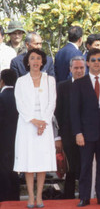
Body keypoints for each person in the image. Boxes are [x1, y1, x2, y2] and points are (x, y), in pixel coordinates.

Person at [70, 48, 100, 207]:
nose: (96, 63)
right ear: (87, 62)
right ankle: (84, 197)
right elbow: (74, 111)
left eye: (99, 60)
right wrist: (77, 132)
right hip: (85, 133)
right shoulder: (79, 83)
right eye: (93, 60)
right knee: (85, 166)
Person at [14, 49, 57, 208]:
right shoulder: (21, 81)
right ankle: (30, 197)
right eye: (32, 58)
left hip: (44, 124)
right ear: (27, 61)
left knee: (41, 161)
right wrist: (34, 121)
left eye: (38, 58)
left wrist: (43, 122)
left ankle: (39, 196)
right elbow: (20, 104)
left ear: (42, 61)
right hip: (27, 124)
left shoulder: (50, 80)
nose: (35, 61)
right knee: (29, 160)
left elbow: (52, 102)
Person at [54, 56, 86, 199]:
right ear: (70, 69)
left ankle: (86, 196)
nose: (79, 71)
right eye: (76, 68)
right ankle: (68, 198)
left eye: (81, 68)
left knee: (86, 167)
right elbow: (58, 113)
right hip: (68, 134)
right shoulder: (62, 86)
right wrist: (58, 136)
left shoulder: (91, 85)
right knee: (70, 168)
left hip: (88, 134)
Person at [0, 69, 20, 202]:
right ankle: (15, 197)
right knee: (15, 168)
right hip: (18, 138)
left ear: (2, 81)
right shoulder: (20, 97)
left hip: (3, 139)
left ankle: (5, 197)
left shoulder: (1, 97)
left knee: (3, 169)